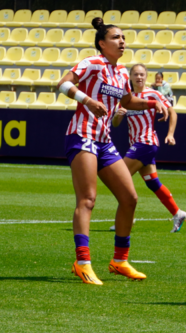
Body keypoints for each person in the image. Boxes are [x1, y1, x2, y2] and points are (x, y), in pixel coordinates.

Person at [58, 18, 167, 285]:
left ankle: (119, 261)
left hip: (104, 141)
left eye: (123, 37)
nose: (122, 42)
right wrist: (88, 100)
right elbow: (62, 84)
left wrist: (153, 103)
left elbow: (128, 101)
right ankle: (82, 263)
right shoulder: (92, 63)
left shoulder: (120, 74)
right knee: (88, 200)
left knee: (129, 197)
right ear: (101, 43)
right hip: (82, 135)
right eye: (116, 37)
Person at [111, 63, 186, 233]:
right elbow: (116, 124)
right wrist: (117, 116)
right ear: (130, 77)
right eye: (136, 74)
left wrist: (170, 134)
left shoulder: (153, 93)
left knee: (118, 178)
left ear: (146, 77)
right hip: (137, 144)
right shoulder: (126, 98)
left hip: (145, 142)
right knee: (153, 183)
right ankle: (177, 212)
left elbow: (172, 112)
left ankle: (126, 218)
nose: (139, 77)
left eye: (142, 74)